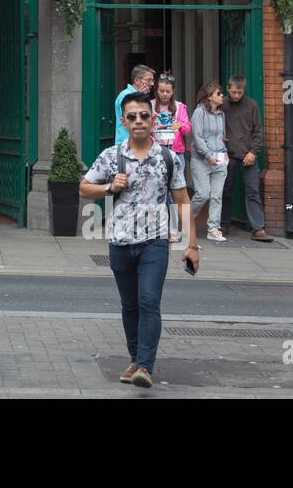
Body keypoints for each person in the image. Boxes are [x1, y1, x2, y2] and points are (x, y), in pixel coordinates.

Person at [79, 91, 201, 388]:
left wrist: (192, 245)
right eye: (132, 117)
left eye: (144, 115)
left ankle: (145, 366)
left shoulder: (168, 158)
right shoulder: (112, 156)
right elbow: (84, 188)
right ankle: (135, 359)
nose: (138, 121)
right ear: (124, 121)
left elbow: (182, 200)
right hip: (120, 242)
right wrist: (109, 187)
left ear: (153, 119)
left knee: (149, 301)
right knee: (130, 305)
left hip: (155, 241)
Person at [220, 75, 271, 242]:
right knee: (225, 190)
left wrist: (253, 152)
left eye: (239, 93)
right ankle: (223, 224)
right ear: (227, 88)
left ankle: (258, 228)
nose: (236, 96)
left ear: (244, 90)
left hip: (248, 155)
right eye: (234, 92)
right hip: (228, 155)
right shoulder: (222, 105)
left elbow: (258, 131)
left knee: (253, 192)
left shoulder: (251, 105)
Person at [151, 74, 191, 241]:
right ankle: (159, 228)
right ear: (157, 91)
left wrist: (180, 126)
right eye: (161, 91)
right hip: (156, 153)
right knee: (158, 192)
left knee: (175, 193)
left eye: (168, 91)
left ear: (173, 91)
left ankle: (173, 229)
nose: (164, 94)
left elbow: (188, 130)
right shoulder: (150, 106)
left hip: (175, 153)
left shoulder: (180, 108)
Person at [190, 82, 228, 242]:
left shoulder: (221, 114)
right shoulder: (199, 113)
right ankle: (184, 220)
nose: (222, 96)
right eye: (219, 93)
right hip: (201, 160)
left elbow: (222, 136)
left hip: (219, 158)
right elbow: (197, 138)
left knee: (217, 196)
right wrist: (207, 155)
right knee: (203, 194)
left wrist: (225, 153)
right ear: (210, 96)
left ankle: (213, 229)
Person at [114, 65, 156, 145]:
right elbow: (131, 118)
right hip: (126, 144)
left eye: (152, 80)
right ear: (137, 80)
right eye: (149, 80)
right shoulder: (125, 95)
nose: (152, 84)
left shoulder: (143, 95)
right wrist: (140, 96)